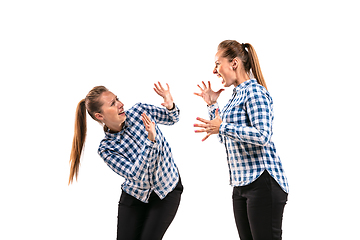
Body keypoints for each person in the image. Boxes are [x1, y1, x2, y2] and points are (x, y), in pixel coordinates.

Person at [194, 40, 289, 240]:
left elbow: (263, 136)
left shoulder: (255, 92)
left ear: (234, 63)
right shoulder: (235, 97)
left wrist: (224, 127)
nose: (214, 70)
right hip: (241, 185)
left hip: (263, 182)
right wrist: (212, 105)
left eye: (218, 63)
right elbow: (224, 136)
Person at [68, 82, 183, 240]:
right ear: (100, 116)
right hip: (135, 196)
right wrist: (150, 141)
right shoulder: (107, 149)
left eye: (118, 99)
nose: (121, 105)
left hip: (166, 191)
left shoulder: (140, 111)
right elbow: (136, 175)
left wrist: (170, 104)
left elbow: (172, 118)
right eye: (113, 104)